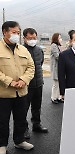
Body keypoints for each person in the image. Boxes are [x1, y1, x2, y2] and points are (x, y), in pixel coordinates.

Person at [0, 21, 35, 154]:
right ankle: (2, 145)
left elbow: (31, 67)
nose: (17, 35)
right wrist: (9, 81)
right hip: (3, 94)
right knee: (2, 121)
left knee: (21, 118)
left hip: (21, 92)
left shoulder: (23, 49)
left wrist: (23, 80)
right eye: (14, 32)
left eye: (18, 33)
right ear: (5, 32)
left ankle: (19, 141)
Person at [23, 28, 48, 139]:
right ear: (24, 38)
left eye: (34, 38)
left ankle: (36, 125)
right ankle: (24, 129)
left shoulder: (39, 50)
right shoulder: (21, 50)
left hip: (38, 83)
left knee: (37, 106)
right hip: (26, 85)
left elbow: (40, 63)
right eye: (29, 38)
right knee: (23, 108)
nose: (32, 40)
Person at [50, 33, 63, 104]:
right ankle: (53, 97)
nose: (61, 39)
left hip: (58, 68)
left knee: (58, 84)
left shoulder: (58, 46)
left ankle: (58, 97)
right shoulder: (54, 46)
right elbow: (57, 56)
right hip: (56, 68)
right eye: (59, 38)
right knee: (56, 84)